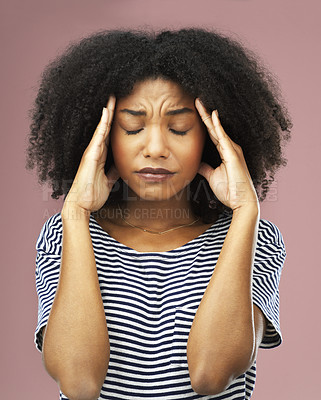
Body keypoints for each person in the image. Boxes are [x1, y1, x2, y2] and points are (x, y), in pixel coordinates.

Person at [26, 28, 292, 400]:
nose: (155, 148)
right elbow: (78, 383)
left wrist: (246, 211)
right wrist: (75, 211)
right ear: (99, 137)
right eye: (133, 127)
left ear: (214, 138)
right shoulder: (64, 233)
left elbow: (211, 375)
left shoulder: (255, 237)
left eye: (179, 128)